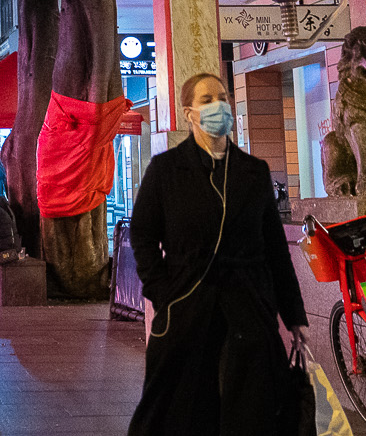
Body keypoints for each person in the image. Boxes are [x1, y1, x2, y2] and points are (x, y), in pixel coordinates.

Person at [127, 71, 308, 436]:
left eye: (222, 97)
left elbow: (275, 250)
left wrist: (293, 315)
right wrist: (162, 293)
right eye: (207, 100)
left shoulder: (253, 172)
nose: (218, 106)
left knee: (252, 409)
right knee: (181, 407)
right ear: (189, 112)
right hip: (186, 305)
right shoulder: (165, 171)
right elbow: (142, 237)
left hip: (249, 307)